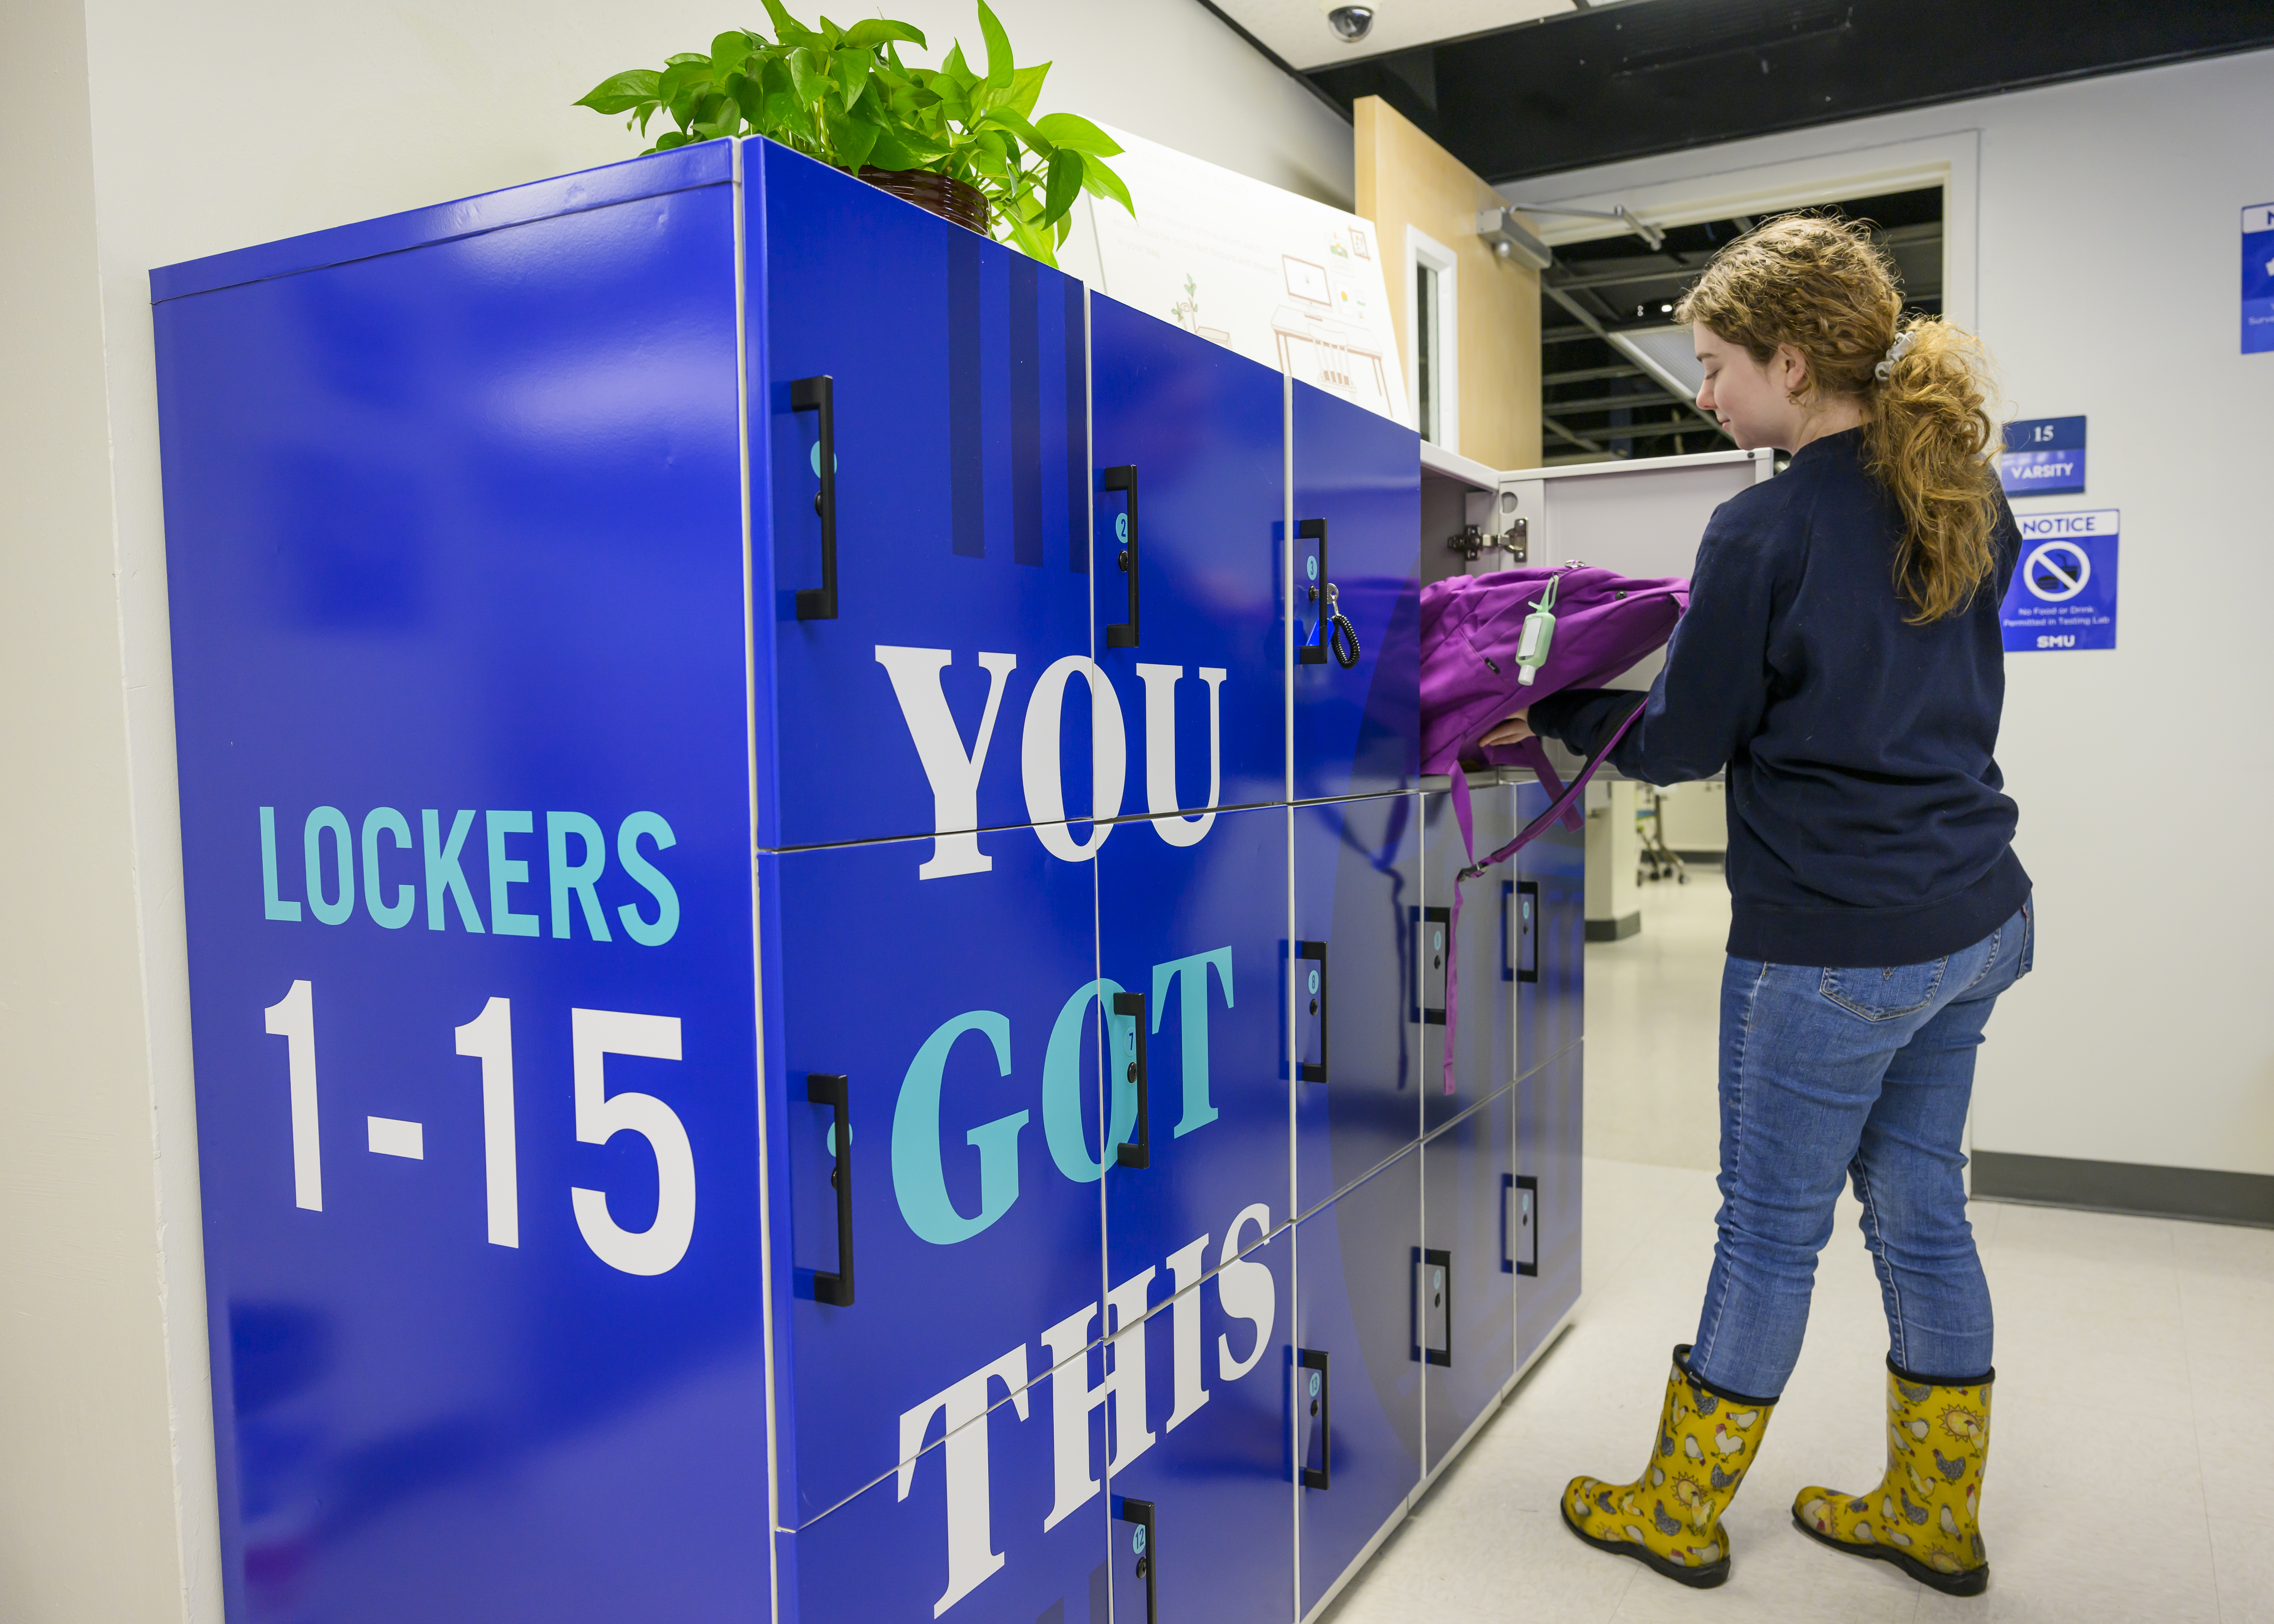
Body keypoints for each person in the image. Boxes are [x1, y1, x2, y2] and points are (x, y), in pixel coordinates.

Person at [1493, 215, 2029, 1598]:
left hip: (1835, 943)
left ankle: (1676, 1509)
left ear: (1793, 362)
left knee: (1766, 1228)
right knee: (1921, 1209)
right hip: (1971, 916)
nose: (1703, 392)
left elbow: (1679, 741)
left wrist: (1548, 701)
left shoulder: (1765, 520)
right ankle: (1932, 1510)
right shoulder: (1962, 488)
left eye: (1719, 363)